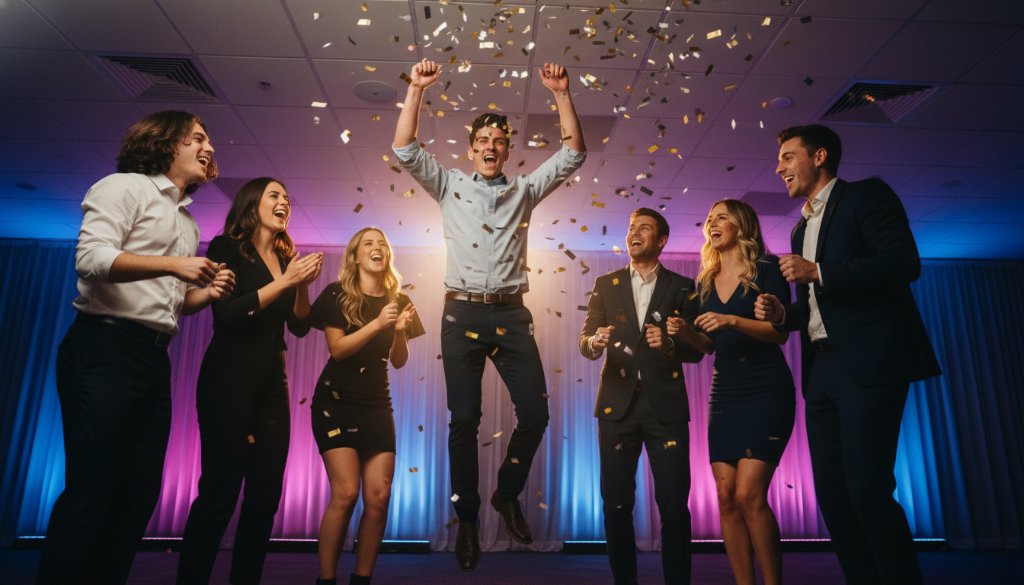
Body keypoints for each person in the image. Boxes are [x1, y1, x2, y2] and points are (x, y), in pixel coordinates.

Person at [392, 58, 586, 570]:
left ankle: (507, 492)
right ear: (471, 147)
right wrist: (415, 88)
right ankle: (470, 521)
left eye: (500, 140)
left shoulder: (524, 190)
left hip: (512, 315)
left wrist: (562, 93)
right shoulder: (449, 184)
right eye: (483, 139)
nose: (491, 146)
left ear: (507, 149)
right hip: (460, 315)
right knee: (464, 421)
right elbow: (405, 149)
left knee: (537, 414)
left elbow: (573, 154)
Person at [37, 111, 234, 585]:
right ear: (166, 144)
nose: (209, 148)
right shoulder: (123, 186)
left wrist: (204, 292)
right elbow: (91, 259)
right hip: (104, 346)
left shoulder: (186, 221)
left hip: (151, 358)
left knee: (139, 493)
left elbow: (171, 304)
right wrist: (174, 265)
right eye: (198, 139)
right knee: (93, 489)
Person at [754, 125, 941, 585]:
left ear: (820, 156)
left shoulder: (865, 196)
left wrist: (820, 270)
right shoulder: (800, 228)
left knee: (867, 489)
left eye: (787, 157)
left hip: (869, 364)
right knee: (834, 497)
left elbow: (903, 263)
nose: (779, 168)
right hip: (821, 372)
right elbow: (823, 306)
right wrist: (786, 313)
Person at [176, 178, 323, 585]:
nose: (284, 202)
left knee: (264, 498)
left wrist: (302, 288)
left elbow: (298, 326)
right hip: (229, 377)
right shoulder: (226, 247)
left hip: (272, 386)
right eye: (274, 195)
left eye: (287, 198)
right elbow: (229, 315)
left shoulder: (284, 256)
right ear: (252, 203)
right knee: (220, 492)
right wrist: (285, 282)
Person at [668, 199, 794, 585]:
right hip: (725, 393)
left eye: (721, 217)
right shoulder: (705, 280)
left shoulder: (768, 269)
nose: (712, 223)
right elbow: (708, 346)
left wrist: (731, 320)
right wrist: (688, 332)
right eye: (709, 219)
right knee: (725, 496)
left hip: (766, 387)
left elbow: (778, 332)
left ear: (742, 225)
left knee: (748, 494)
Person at [579, 207, 703, 585]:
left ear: (661, 240)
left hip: (665, 408)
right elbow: (585, 341)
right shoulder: (606, 283)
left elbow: (697, 350)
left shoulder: (683, 287)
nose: (634, 233)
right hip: (616, 409)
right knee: (616, 505)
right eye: (631, 227)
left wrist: (669, 344)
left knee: (674, 505)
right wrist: (594, 342)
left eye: (644, 229)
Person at [308, 227, 424, 585]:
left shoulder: (400, 300)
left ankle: (361, 579)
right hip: (336, 402)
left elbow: (400, 361)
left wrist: (400, 330)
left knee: (379, 495)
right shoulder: (337, 294)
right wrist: (378, 323)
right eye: (368, 244)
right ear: (356, 256)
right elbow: (338, 350)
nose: (377, 248)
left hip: (377, 403)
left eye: (382, 244)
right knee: (346, 493)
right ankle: (326, 580)